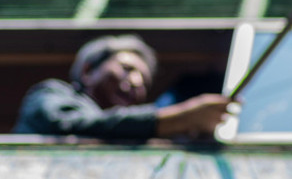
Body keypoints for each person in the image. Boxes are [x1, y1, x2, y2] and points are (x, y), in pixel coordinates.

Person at [13, 34, 233, 140]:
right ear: (88, 71)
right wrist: (177, 119)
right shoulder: (51, 94)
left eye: (145, 82)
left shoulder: (129, 139)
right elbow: (76, 125)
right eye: (127, 68)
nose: (136, 83)